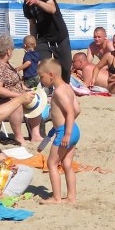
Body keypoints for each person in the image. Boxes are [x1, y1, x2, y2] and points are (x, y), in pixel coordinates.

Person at [0, 34, 42, 144]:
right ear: (8, 51)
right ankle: (19, 137)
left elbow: (13, 80)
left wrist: (24, 89)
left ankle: (36, 135)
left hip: (7, 97)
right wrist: (20, 96)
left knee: (37, 98)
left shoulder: (2, 61)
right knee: (17, 104)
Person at [38, 59, 81, 204]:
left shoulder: (58, 92)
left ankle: (56, 197)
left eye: (41, 77)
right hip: (74, 129)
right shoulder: (68, 87)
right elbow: (77, 110)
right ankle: (71, 197)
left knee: (52, 163)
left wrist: (66, 132)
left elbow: (69, 111)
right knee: (67, 164)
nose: (40, 80)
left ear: (51, 75)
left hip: (66, 132)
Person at [15, 0, 72, 82]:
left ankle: (65, 89)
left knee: (65, 69)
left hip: (59, 36)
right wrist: (32, 42)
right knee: (43, 67)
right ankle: (48, 92)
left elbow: (52, 9)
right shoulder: (26, 4)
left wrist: (37, 1)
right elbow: (32, 23)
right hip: (43, 39)